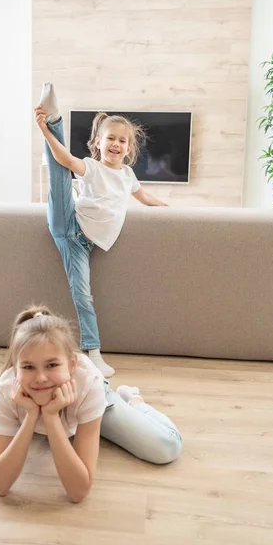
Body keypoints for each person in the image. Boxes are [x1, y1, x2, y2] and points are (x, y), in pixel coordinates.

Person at [0, 305, 183, 503]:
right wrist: (30, 417)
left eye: (52, 365)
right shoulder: (12, 386)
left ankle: (133, 400)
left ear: (72, 364)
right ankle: (0, 403)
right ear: (16, 369)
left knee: (166, 447)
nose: (41, 376)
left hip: (92, 406)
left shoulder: (89, 382)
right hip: (22, 400)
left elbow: (78, 493)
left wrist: (51, 419)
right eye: (28, 367)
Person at [35, 83, 168, 377]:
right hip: (70, 229)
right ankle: (93, 352)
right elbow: (67, 160)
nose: (116, 144)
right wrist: (44, 131)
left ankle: (53, 122)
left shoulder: (127, 175)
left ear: (129, 148)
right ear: (98, 142)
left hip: (87, 243)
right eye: (110, 139)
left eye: (122, 141)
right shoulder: (92, 167)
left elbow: (144, 197)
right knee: (60, 171)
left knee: (85, 295)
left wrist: (170, 210)